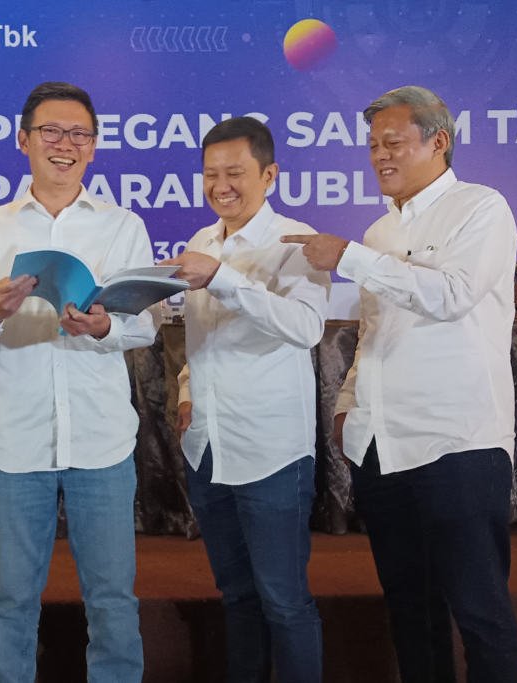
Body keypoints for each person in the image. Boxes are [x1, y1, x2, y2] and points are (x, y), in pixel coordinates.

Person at [282, 85, 517, 682]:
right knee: (411, 613)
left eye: (392, 142)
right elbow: (374, 333)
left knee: (480, 613)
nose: (379, 157)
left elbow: (452, 295)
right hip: (382, 447)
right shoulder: (379, 233)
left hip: (458, 443)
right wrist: (348, 406)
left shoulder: (481, 207)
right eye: (372, 146)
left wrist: (350, 258)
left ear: (438, 141)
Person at [0, 81, 154, 683]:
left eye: (79, 134)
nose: (66, 144)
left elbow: (145, 325)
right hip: (19, 438)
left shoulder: (122, 226)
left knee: (113, 600)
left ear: (94, 146)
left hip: (101, 438)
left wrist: (103, 326)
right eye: (52, 131)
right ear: (23, 140)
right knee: (11, 600)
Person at [161, 116, 329, 682]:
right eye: (211, 174)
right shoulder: (201, 242)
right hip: (207, 445)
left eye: (234, 172)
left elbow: (305, 327)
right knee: (236, 596)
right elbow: (201, 339)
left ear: (270, 174)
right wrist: (188, 393)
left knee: (284, 601)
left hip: (271, 450)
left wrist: (223, 278)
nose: (221, 186)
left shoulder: (296, 241)